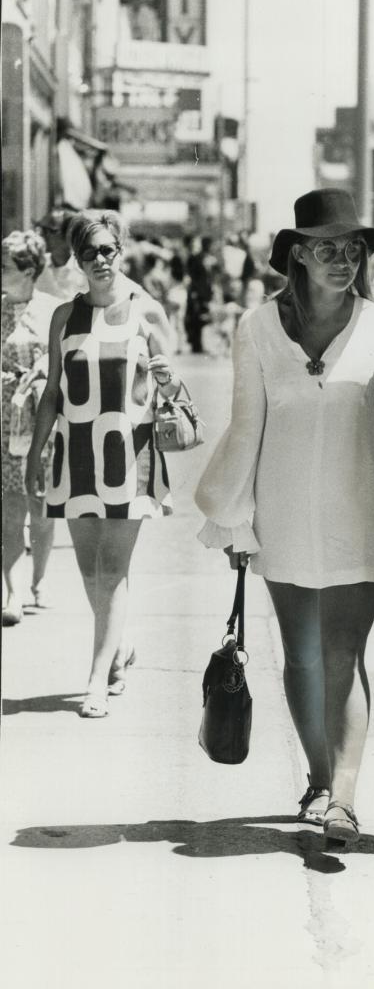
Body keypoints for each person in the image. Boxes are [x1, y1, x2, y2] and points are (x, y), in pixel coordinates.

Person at [195, 189, 374, 844]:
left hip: (357, 510)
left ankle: (344, 798)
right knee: (302, 657)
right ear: (297, 255)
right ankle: (320, 779)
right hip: (282, 514)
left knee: (341, 654)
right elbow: (246, 428)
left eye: (353, 249)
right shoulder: (255, 328)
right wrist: (234, 521)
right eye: (327, 249)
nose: (343, 261)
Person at [25, 210, 182, 718]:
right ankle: (120, 645)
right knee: (90, 572)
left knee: (112, 570)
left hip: (128, 457)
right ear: (76, 258)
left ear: (121, 251)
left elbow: (175, 387)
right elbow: (52, 392)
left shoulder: (146, 312)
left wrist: (165, 376)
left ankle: (96, 679)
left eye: (107, 249)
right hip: (76, 457)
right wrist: (35, 450)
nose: (99, 260)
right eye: (88, 251)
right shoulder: (64, 317)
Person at [2, 231, 59, 625]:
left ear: (27, 270)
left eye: (5, 266)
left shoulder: (54, 311)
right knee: (9, 508)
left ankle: (39, 580)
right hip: (4, 418)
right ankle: (13, 591)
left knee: (41, 508)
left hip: (43, 422)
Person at [34, 207, 89, 300]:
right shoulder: (35, 265)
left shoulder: (84, 272)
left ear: (69, 235)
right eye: (42, 230)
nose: (42, 235)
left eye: (49, 231)